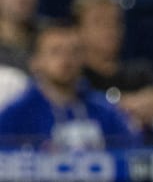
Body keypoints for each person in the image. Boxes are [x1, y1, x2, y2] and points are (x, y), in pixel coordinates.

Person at [0, 20, 141, 150]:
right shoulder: (16, 115)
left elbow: (133, 154)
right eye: (56, 52)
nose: (66, 59)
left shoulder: (104, 110)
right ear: (36, 61)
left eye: (74, 51)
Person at [71, 0, 153, 146]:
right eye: (99, 22)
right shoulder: (74, 76)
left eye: (115, 22)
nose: (109, 30)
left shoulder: (141, 72)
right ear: (79, 30)